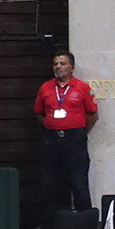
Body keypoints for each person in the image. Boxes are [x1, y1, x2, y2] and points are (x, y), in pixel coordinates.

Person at [34, 50, 99, 217]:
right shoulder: (45, 88)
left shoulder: (82, 88)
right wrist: (52, 126)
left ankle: (84, 221)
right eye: (55, 64)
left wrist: (79, 130)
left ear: (72, 67)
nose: (58, 67)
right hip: (51, 139)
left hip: (74, 139)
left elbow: (93, 115)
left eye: (62, 63)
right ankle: (48, 222)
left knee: (78, 182)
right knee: (48, 182)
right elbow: (39, 113)